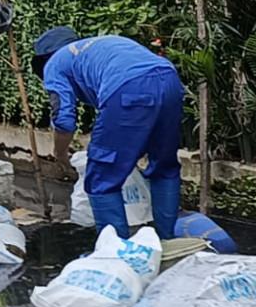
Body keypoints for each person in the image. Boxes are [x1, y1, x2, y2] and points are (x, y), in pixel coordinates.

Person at [31, 27, 185, 241]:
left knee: (100, 178)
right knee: (164, 167)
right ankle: (166, 241)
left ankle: (115, 253)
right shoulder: (97, 47)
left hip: (128, 87)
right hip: (170, 80)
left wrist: (60, 154)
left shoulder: (54, 64)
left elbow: (64, 119)